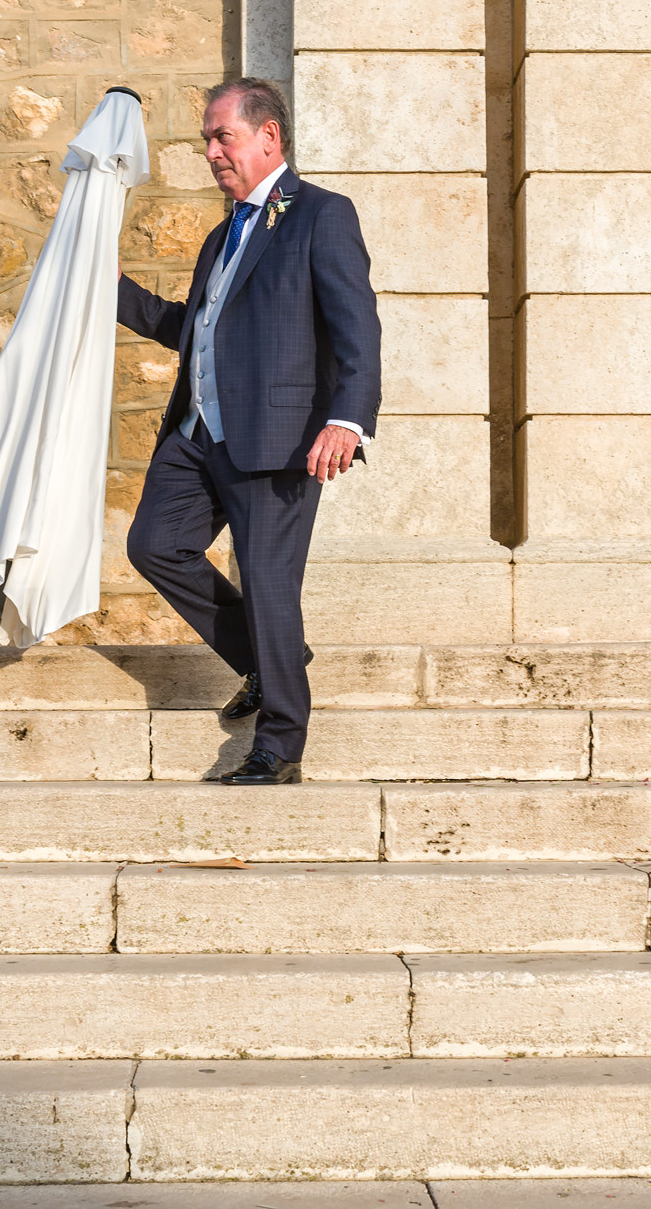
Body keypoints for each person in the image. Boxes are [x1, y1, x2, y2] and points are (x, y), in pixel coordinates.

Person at [117, 76, 380, 785]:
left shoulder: (320, 215)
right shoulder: (222, 233)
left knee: (267, 581)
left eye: (221, 136)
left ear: (268, 138)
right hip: (199, 435)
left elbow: (358, 325)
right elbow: (196, 328)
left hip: (280, 436)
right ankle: (271, 660)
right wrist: (111, 293)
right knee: (155, 543)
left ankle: (279, 745)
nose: (210, 151)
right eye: (207, 138)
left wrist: (347, 419)